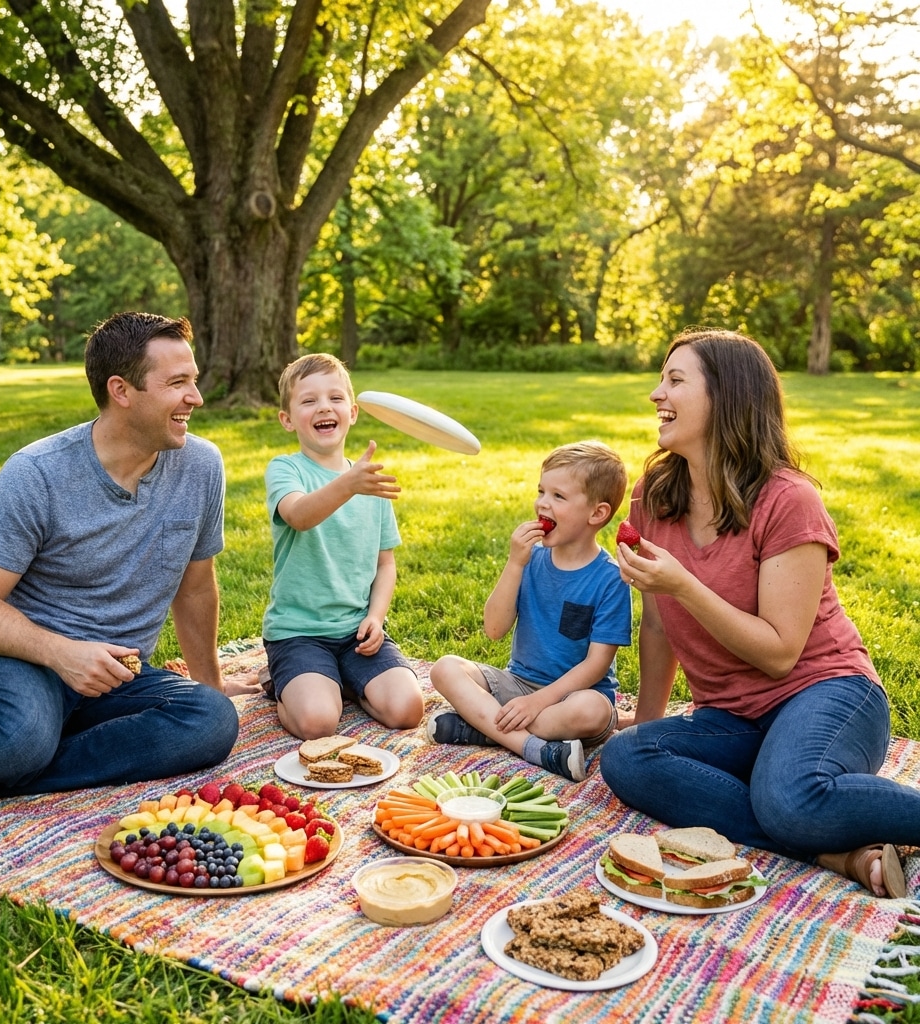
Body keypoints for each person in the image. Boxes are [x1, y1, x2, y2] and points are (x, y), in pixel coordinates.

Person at [600, 328, 919, 898]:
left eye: (675, 381)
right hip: (731, 717)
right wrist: (649, 723)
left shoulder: (788, 499)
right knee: (628, 756)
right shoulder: (654, 496)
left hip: (827, 693)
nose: (656, 395)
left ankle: (811, 813)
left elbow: (779, 653)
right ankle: (836, 848)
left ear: (726, 397)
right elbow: (657, 626)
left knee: (788, 799)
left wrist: (686, 584)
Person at [0, 311, 248, 825]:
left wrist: (210, 682)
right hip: (20, 658)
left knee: (211, 719)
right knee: (16, 738)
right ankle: (5, 756)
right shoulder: (36, 474)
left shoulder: (200, 465)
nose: (195, 397)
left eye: (192, 380)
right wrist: (62, 654)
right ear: (121, 390)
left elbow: (195, 590)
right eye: (177, 383)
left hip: (116, 676)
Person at [427, 441, 632, 782]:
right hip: (518, 683)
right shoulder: (531, 559)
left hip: (573, 697)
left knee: (593, 712)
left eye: (558, 497)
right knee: (445, 669)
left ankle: (483, 728)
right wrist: (514, 562)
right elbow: (494, 629)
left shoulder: (610, 579)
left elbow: (596, 665)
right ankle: (535, 748)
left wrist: (540, 702)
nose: (542, 503)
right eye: (541, 491)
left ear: (597, 513)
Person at [260, 353, 424, 740]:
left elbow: (386, 564)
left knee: (407, 710)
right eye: (308, 400)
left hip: (356, 632)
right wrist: (348, 484)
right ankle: (282, 682)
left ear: (352, 412)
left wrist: (376, 617)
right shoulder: (286, 469)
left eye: (335, 398)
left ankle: (343, 681)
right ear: (287, 419)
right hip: (298, 632)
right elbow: (300, 514)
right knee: (319, 724)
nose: (323, 407)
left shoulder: (367, 482)